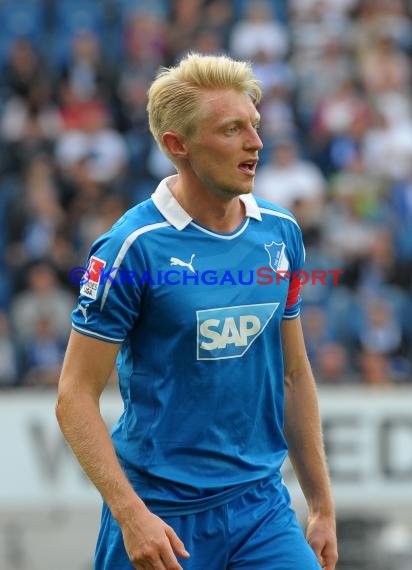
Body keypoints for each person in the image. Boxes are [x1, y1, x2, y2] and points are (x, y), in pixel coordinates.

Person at [56, 52, 338, 570]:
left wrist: (321, 505)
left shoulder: (280, 232)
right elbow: (74, 396)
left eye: (253, 125)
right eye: (232, 130)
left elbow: (295, 376)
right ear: (176, 145)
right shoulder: (132, 248)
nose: (256, 143)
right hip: (161, 517)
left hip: (261, 509)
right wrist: (130, 513)